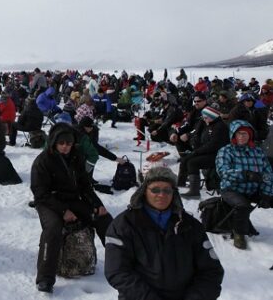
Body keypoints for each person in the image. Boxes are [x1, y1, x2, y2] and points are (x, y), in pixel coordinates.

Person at [105, 166, 224, 300]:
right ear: (144, 191)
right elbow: (117, 271)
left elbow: (211, 271)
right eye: (155, 190)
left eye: (167, 190)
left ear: (174, 193)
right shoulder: (124, 224)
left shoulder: (191, 226)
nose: (161, 195)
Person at [31, 122, 112, 293]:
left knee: (103, 218)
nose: (66, 147)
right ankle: (45, 278)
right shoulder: (42, 161)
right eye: (62, 143)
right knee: (53, 228)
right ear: (54, 142)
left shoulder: (76, 157)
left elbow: (85, 185)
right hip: (49, 203)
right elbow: (40, 194)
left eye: (69, 143)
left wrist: (98, 204)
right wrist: (63, 211)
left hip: (72, 199)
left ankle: (121, 262)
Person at [216, 120, 273, 249]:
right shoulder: (226, 151)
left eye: (245, 134)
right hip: (231, 189)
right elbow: (223, 172)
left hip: (253, 189)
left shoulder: (257, 152)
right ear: (234, 135)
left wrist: (266, 194)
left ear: (250, 135)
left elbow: (268, 174)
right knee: (243, 205)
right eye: (239, 133)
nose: (242, 136)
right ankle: (239, 233)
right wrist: (245, 174)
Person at [179, 107, 230, 198]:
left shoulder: (219, 127)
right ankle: (180, 184)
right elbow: (202, 138)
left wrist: (197, 152)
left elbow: (213, 145)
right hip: (209, 152)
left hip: (219, 155)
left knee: (192, 162)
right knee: (186, 158)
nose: (204, 119)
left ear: (212, 117)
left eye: (205, 117)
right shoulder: (210, 124)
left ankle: (194, 191)